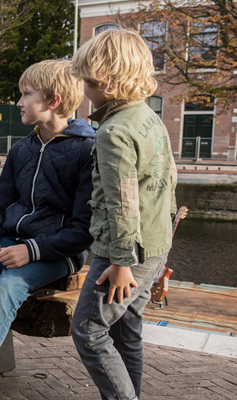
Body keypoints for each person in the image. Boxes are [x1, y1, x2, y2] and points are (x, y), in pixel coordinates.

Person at [0, 59, 95, 400]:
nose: (19, 102)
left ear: (52, 101)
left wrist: (31, 251)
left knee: (4, 290)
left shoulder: (87, 150)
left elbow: (84, 230)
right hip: (9, 241)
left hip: (57, 252)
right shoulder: (21, 149)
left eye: (26, 95)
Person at [69, 29, 177, 400]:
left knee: (88, 330)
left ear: (105, 80)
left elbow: (123, 204)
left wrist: (120, 262)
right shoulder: (149, 117)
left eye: (87, 80)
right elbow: (168, 181)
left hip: (124, 254)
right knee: (127, 329)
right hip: (156, 244)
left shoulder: (113, 132)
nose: (84, 89)